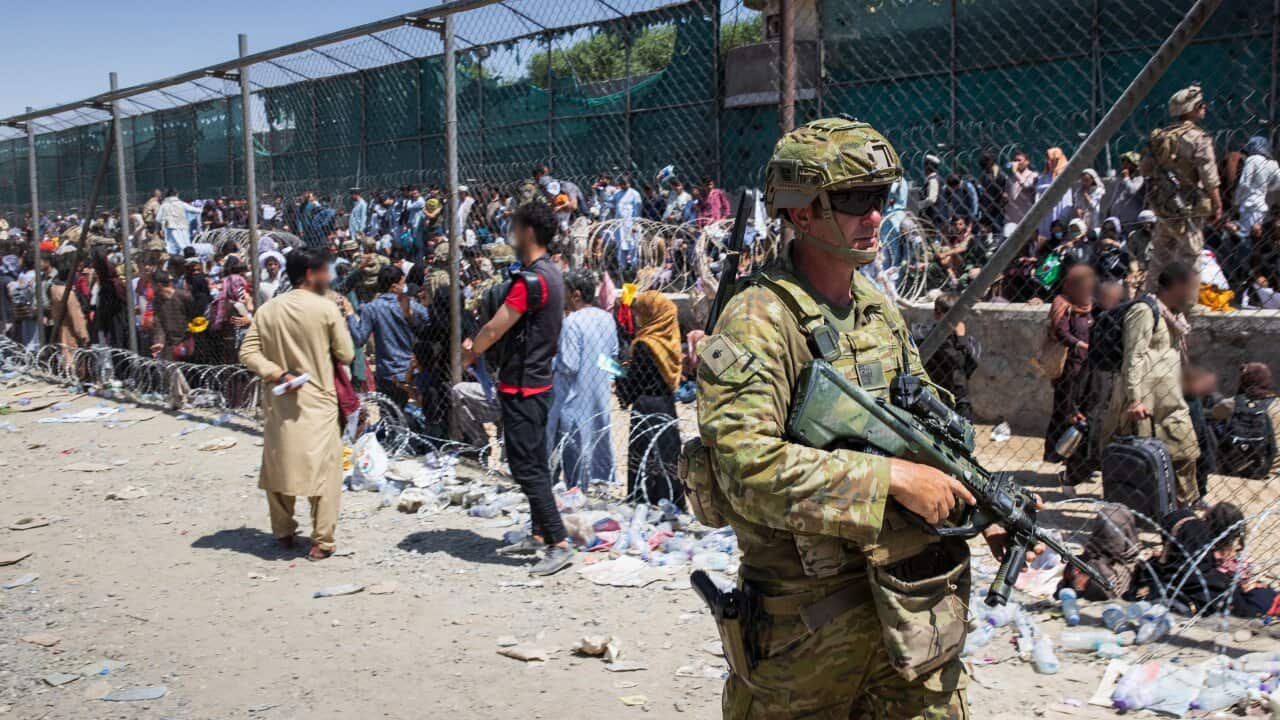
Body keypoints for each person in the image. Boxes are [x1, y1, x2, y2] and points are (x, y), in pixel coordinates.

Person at [696, 118, 1023, 718]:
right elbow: (747, 468)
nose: (873, 216)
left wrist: (979, 498)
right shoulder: (758, 320)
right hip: (807, 636)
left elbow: (919, 432)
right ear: (800, 213)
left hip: (908, 612)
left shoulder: (877, 309)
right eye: (853, 200)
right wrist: (893, 481)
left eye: (880, 198)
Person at [462, 201, 572, 576]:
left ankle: (557, 541)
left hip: (524, 386)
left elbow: (496, 327)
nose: (511, 234)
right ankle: (540, 534)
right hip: (537, 383)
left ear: (528, 232)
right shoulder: (551, 274)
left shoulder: (531, 281)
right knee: (532, 462)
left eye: (515, 227)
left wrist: (471, 352)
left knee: (527, 468)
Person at [239, 247, 355, 560]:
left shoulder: (268, 310)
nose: (329, 277)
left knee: (279, 466)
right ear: (310, 274)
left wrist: (277, 373)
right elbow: (347, 354)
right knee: (325, 473)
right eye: (325, 271)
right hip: (319, 402)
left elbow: (247, 353)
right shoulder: (326, 309)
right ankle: (323, 541)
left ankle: (284, 531)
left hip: (281, 401)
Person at [1101, 261, 1201, 507]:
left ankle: (1184, 510)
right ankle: (1150, 511)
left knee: (1186, 453)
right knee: (1144, 461)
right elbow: (1133, 357)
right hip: (1145, 404)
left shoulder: (1175, 316)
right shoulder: (1145, 311)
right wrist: (1134, 399)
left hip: (1172, 402)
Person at [1143, 85, 1222, 291]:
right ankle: (1187, 301)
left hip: (1164, 203)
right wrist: (1217, 204)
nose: (1204, 108)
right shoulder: (1198, 137)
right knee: (1190, 253)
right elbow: (1209, 177)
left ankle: (1152, 295)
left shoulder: (1162, 136)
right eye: (1201, 105)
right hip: (1189, 204)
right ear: (1192, 109)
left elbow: (1146, 168)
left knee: (1161, 252)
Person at [549, 269, 618, 490]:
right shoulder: (606, 318)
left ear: (576, 295)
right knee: (597, 439)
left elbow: (569, 364)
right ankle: (598, 485)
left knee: (573, 446)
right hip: (599, 391)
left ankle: (575, 489)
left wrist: (550, 363)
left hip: (573, 396)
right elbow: (611, 358)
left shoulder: (572, 322)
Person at [616, 291, 683, 505]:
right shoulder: (670, 343)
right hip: (666, 407)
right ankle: (670, 500)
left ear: (650, 313)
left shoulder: (644, 345)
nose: (636, 316)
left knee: (644, 457)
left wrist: (619, 372)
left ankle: (643, 500)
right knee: (666, 457)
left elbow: (632, 387)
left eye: (639, 311)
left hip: (645, 409)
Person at [344, 265, 428, 408]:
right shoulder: (412, 305)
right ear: (395, 286)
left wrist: (350, 314)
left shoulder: (371, 308)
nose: (405, 286)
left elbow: (359, 339)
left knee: (391, 415)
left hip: (388, 373)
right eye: (403, 283)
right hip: (413, 370)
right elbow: (429, 324)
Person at [1044, 264, 1096, 486]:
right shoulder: (1062, 304)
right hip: (1069, 371)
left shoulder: (1089, 305)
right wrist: (1080, 345)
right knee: (1068, 415)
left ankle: (1077, 462)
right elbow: (1060, 332)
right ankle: (1063, 459)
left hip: (1087, 370)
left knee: (1085, 416)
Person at [919, 293, 977, 420]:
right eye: (937, 311)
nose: (938, 315)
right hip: (937, 397)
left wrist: (961, 338)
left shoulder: (964, 338)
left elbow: (971, 365)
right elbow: (958, 362)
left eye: (945, 311)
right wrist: (961, 340)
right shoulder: (931, 337)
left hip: (959, 398)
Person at [1234, 136, 1280, 234]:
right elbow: (1278, 183)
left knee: (1245, 235)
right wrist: (1267, 188)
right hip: (1263, 205)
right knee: (1256, 235)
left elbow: (1244, 183)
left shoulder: (1253, 159)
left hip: (1249, 204)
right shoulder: (1273, 163)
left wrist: (1237, 200)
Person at [148, 270, 194, 360]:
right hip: (170, 345)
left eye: (152, 284)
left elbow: (193, 316)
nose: (151, 287)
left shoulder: (184, 296)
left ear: (159, 285)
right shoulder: (157, 301)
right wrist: (159, 342)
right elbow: (158, 323)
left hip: (187, 341)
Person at [1036, 147, 1073, 240]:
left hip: (1059, 212)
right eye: (1048, 159)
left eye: (1052, 160)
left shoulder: (1065, 177)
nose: (1049, 162)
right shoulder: (1045, 176)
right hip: (1046, 212)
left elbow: (1067, 200)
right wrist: (1051, 187)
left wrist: (1063, 219)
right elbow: (1038, 188)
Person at [1105, 152, 1147, 228]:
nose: (1124, 166)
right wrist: (1110, 209)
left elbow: (1132, 191)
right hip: (1116, 220)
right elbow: (1115, 195)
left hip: (1130, 221)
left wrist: (1126, 178)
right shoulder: (1121, 179)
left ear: (1135, 165)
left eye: (1127, 163)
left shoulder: (1140, 179)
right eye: (1123, 163)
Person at [1004, 150, 1038, 235]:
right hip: (1011, 217)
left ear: (1027, 162)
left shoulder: (1033, 175)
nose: (1017, 163)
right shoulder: (1011, 178)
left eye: (1019, 160)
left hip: (1025, 215)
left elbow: (1027, 185)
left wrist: (1016, 172)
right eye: (1015, 160)